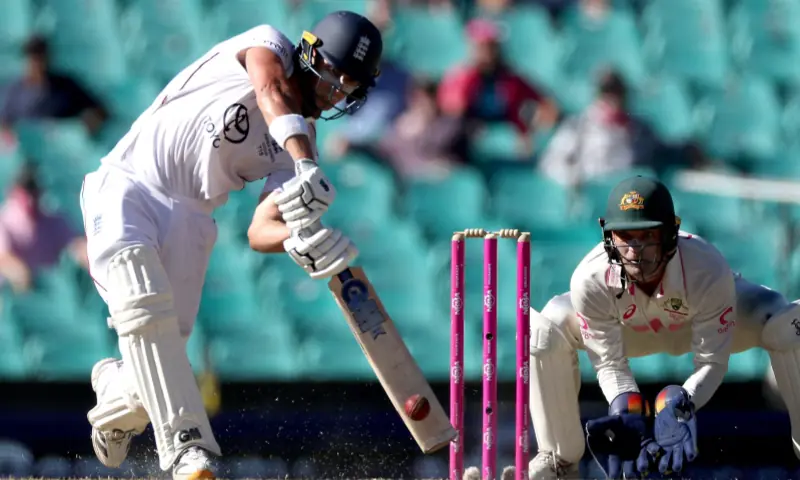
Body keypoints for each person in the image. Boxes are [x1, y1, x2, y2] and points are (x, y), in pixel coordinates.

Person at [79, 11, 382, 480]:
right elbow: (270, 92)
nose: (335, 94)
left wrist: (299, 237)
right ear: (309, 53)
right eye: (332, 79)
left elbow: (260, 231)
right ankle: (188, 452)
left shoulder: (302, 144)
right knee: (144, 310)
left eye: (348, 89)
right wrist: (304, 163)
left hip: (192, 217)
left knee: (153, 366)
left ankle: (113, 392)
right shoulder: (268, 45)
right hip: (129, 184)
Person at [523, 175, 800, 479]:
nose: (634, 250)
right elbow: (609, 363)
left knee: (787, 325)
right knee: (544, 329)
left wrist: (682, 402)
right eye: (625, 236)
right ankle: (559, 462)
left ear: (670, 234)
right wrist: (625, 407)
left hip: (705, 323)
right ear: (609, 234)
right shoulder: (589, 279)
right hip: (632, 331)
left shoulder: (707, 268)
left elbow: (712, 362)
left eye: (646, 235)